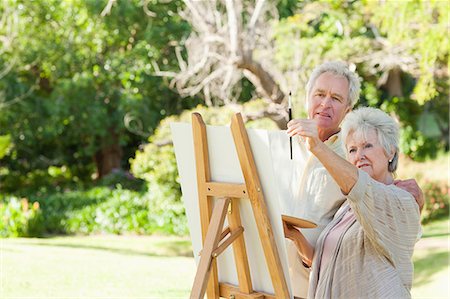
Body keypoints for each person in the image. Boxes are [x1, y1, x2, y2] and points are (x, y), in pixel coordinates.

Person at [285, 61, 423, 298]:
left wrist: (316, 147)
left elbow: (361, 188)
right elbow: (324, 260)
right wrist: (294, 235)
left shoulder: (397, 200)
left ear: (391, 152)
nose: (359, 156)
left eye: (368, 146)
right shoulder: (346, 210)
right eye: (352, 150)